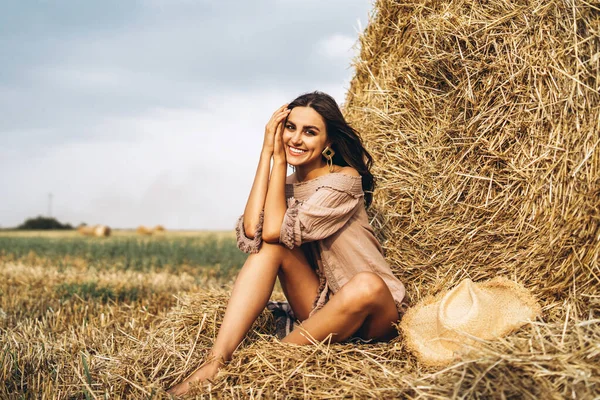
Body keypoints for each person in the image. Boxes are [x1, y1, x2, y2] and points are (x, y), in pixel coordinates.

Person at [167, 91, 407, 396]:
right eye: (290, 128)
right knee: (271, 247)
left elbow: (274, 229)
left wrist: (279, 160)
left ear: (329, 142)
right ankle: (216, 362)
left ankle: (262, 365)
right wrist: (268, 155)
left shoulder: (344, 180)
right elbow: (255, 231)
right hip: (320, 306)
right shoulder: (285, 186)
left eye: (310, 132)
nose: (296, 138)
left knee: (366, 284)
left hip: (373, 314)